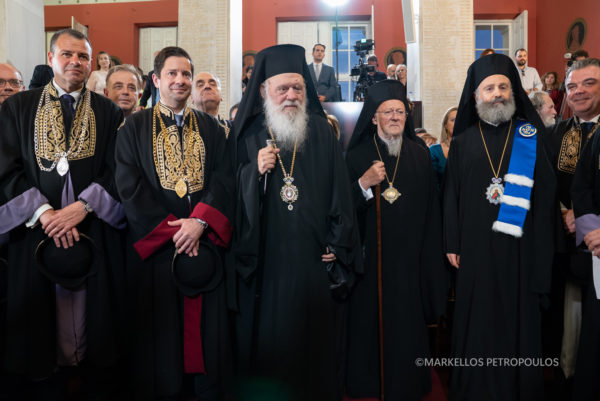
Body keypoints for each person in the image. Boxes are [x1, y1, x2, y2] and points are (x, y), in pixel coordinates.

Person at [0, 28, 125, 399]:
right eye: (67, 54)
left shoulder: (108, 112)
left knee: (95, 318)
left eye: (83, 56)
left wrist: (82, 207)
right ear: (51, 58)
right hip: (36, 229)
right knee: (37, 326)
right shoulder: (18, 107)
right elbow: (6, 166)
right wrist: (43, 212)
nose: (75, 62)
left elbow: (117, 170)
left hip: (91, 227)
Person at [233, 44, 361, 400]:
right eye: (282, 89)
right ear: (263, 91)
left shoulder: (320, 131)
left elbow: (340, 193)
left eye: (297, 88)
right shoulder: (248, 135)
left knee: (314, 342)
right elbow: (229, 192)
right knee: (273, 339)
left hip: (313, 260)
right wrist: (253, 173)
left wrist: (338, 242)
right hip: (268, 262)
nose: (291, 95)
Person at [115, 46, 234, 400]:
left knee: (205, 341)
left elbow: (224, 179)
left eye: (186, 74)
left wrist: (199, 223)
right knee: (159, 343)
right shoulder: (133, 127)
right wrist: (176, 230)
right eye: (172, 73)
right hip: (157, 255)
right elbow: (128, 185)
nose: (180, 80)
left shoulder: (212, 128)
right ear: (156, 80)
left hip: (202, 248)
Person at [444, 53, 556, 400]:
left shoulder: (529, 135)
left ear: (514, 92)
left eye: (504, 87)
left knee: (516, 315)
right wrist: (452, 241)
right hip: (474, 246)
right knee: (478, 316)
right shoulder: (463, 141)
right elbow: (451, 194)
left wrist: (541, 246)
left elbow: (546, 195)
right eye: (489, 88)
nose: (497, 94)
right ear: (475, 95)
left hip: (519, 247)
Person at [345, 79, 448, 401]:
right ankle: (368, 383)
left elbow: (432, 210)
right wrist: (363, 184)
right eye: (387, 111)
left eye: (400, 112)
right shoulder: (356, 155)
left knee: (407, 324)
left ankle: (408, 382)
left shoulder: (419, 154)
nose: (394, 117)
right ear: (373, 117)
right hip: (369, 262)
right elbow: (339, 209)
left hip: (410, 260)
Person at [564, 57, 600, 401]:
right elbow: (581, 187)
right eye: (572, 86)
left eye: (589, 83)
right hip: (589, 250)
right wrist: (591, 234)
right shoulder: (564, 132)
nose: (579, 91)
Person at [191, 71, 232, 137]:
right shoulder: (182, 130)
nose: (207, 86)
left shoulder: (233, 129)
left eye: (212, 84)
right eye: (200, 85)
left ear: (221, 95)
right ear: (192, 97)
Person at [429, 106, 457, 187]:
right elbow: (432, 183)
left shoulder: (471, 149)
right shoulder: (434, 150)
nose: (457, 123)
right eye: (453, 120)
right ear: (445, 125)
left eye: (460, 119)